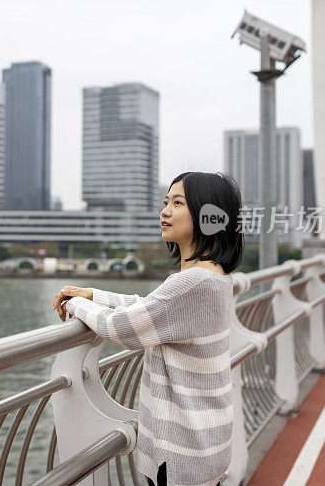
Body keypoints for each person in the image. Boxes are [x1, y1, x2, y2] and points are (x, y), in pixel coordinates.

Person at [53, 172, 244, 486]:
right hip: (204, 441)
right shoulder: (215, 276)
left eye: (178, 203)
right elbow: (152, 307)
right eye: (165, 201)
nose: (165, 211)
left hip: (183, 451)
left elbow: (122, 329)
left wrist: (75, 305)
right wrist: (95, 294)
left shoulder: (191, 283)